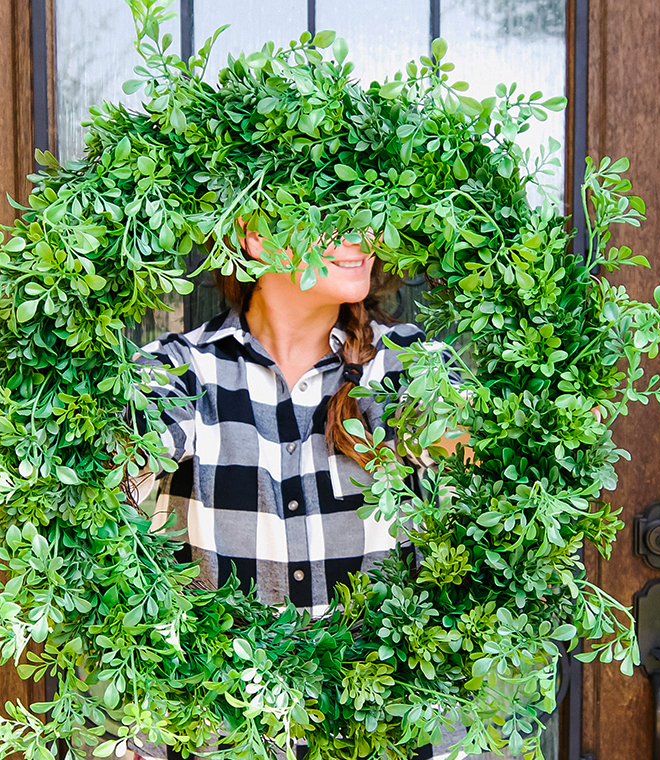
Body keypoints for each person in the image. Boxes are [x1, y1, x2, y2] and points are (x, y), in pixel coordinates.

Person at [127, 228, 435, 760]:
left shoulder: (407, 366)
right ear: (254, 235)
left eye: (368, 210)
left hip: (377, 740)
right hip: (220, 741)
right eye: (331, 209)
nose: (365, 234)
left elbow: (475, 455)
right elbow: (113, 461)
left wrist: (541, 427)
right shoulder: (181, 368)